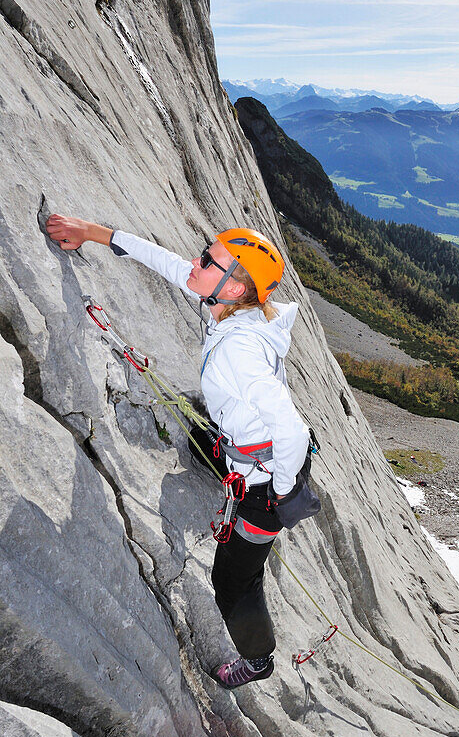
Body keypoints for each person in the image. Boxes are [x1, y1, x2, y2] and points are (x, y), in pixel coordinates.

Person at [46, 213, 312, 689]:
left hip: (264, 485)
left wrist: (281, 493)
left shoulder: (240, 349)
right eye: (205, 253)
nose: (197, 261)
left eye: (209, 261)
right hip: (254, 458)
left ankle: (258, 661)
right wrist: (96, 233)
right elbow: (170, 265)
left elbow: (291, 431)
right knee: (202, 434)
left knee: (232, 584)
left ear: (233, 287)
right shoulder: (231, 306)